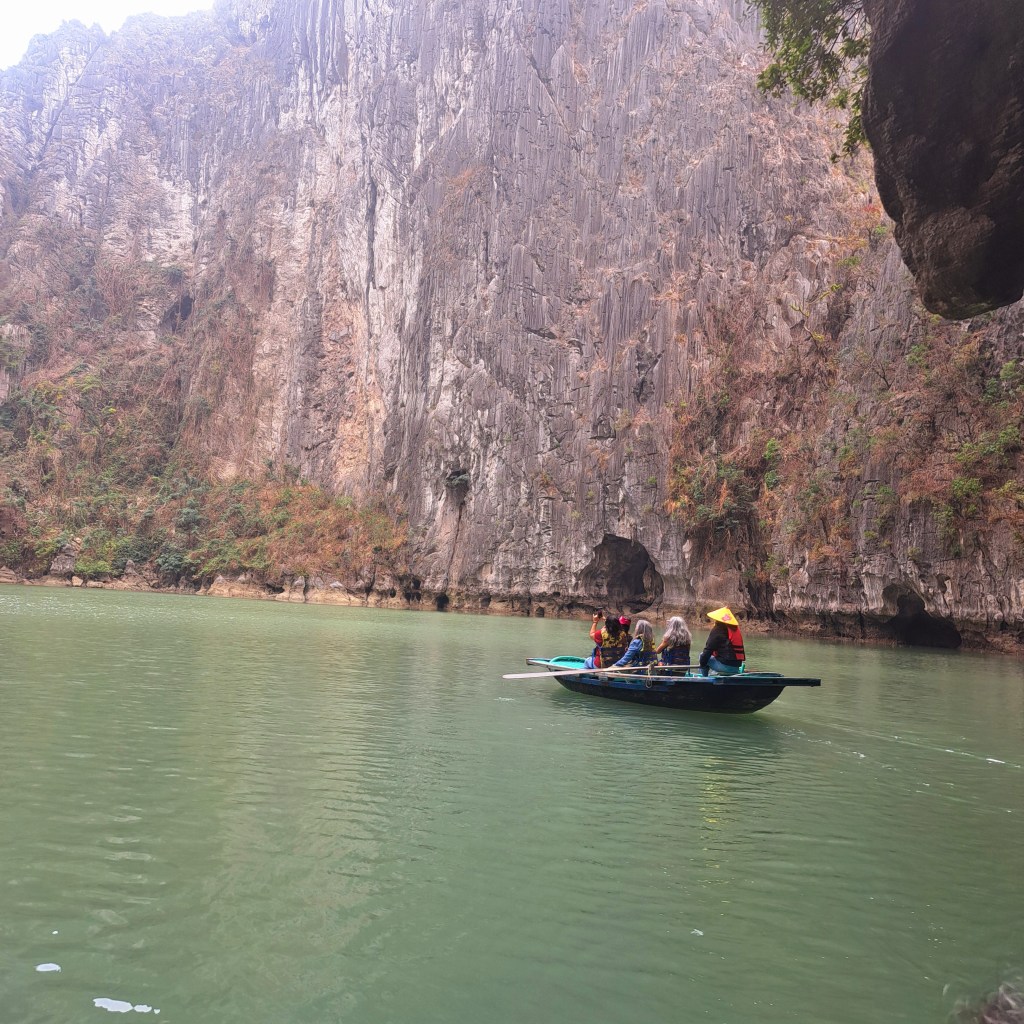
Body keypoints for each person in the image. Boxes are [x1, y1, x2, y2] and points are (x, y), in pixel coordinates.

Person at [698, 606, 745, 676]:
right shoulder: (735, 629)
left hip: (725, 666)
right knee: (709, 658)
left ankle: (703, 678)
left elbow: (707, 651)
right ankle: (714, 674)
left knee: (702, 656)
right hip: (736, 667)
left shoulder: (718, 630)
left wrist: (702, 665)